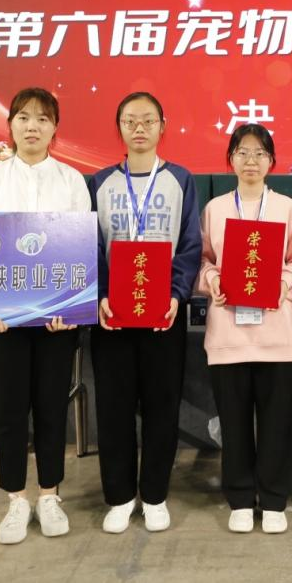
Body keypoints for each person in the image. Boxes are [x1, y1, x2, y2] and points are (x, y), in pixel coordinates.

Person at [0, 87, 91, 545]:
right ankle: (16, 499)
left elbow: (79, 249)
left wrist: (70, 309)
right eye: (23, 117)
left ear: (55, 128)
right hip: (4, 320)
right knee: (9, 409)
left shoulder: (72, 181)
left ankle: (50, 495)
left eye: (42, 118)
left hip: (56, 321)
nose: (32, 126)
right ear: (10, 126)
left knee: (52, 406)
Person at [90, 91, 202, 534]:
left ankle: (154, 495)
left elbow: (190, 244)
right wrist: (100, 294)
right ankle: (119, 497)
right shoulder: (100, 182)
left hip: (163, 314)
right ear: (119, 127)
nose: (139, 128)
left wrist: (176, 294)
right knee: (114, 408)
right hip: (112, 314)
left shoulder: (180, 180)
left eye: (148, 120)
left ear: (162, 126)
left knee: (162, 406)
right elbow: (90, 244)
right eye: (130, 120)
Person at [198, 124, 292, 534]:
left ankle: (275, 499)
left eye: (260, 153)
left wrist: (284, 282)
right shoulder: (215, 209)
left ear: (271, 161)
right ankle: (241, 499)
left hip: (277, 336)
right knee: (234, 423)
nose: (251, 160)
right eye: (242, 152)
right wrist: (212, 280)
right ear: (230, 159)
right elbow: (203, 260)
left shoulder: (286, 208)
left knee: (276, 423)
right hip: (228, 335)